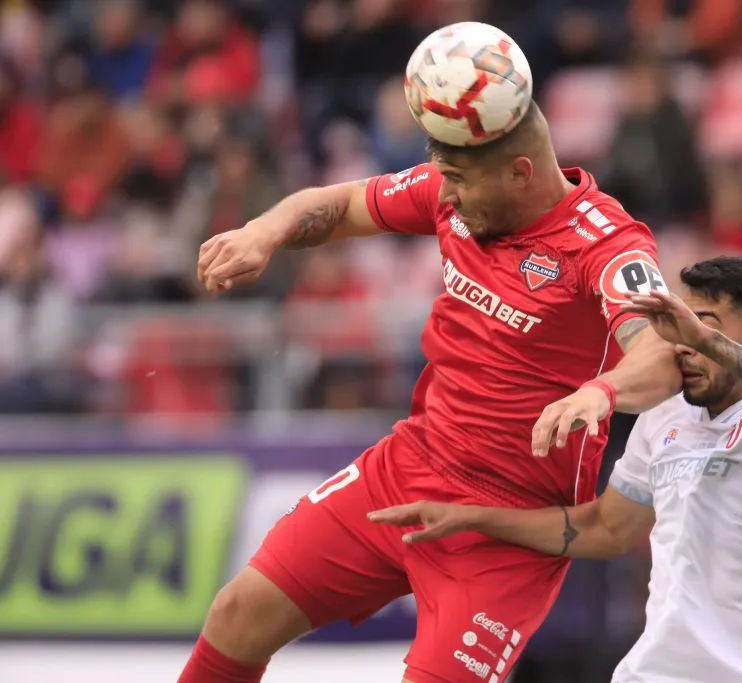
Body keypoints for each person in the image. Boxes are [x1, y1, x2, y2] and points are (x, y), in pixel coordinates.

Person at [183, 100, 684, 683]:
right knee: (238, 614)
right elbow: (343, 202)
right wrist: (263, 231)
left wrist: (600, 392)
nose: (447, 198)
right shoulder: (456, 190)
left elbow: (660, 353)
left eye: (461, 183)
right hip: (408, 468)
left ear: (520, 172)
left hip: (509, 528)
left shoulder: (607, 244)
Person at [370, 256, 742, 683]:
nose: (683, 343)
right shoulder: (665, 414)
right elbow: (605, 527)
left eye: (702, 324)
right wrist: (475, 517)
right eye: (680, 325)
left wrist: (704, 338)